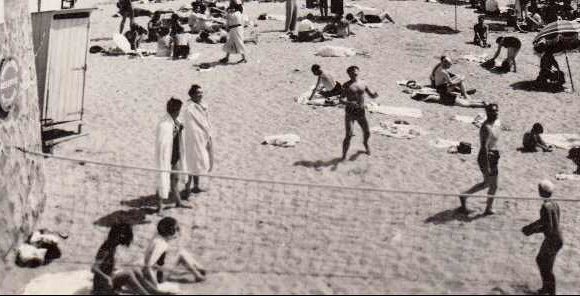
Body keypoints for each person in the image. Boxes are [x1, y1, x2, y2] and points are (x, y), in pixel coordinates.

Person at [137, 217, 206, 293]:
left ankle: (198, 268)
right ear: (170, 232)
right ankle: (198, 275)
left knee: (180, 252)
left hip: (154, 272)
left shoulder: (157, 236)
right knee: (180, 255)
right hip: (158, 277)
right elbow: (149, 266)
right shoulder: (161, 244)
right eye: (176, 229)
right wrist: (155, 285)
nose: (178, 231)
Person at [522, 180, 563, 295]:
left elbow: (547, 226)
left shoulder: (545, 206)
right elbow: (548, 222)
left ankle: (550, 291)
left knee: (545, 266)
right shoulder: (555, 203)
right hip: (557, 237)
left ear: (541, 192)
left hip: (552, 240)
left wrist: (531, 230)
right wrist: (532, 227)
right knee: (543, 263)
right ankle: (547, 289)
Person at [459, 103, 501, 215]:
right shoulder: (486, 128)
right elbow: (484, 148)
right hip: (486, 157)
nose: (496, 113)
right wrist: (487, 165)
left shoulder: (497, 122)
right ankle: (464, 195)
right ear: (488, 113)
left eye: (496, 110)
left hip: (494, 156)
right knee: (488, 184)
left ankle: (488, 208)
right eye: (493, 111)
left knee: (494, 185)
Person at [92, 223, 149, 295]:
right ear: (115, 234)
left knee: (133, 270)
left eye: (124, 235)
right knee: (128, 273)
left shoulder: (114, 247)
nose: (122, 237)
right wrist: (107, 278)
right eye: (121, 235)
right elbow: (94, 268)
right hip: (102, 284)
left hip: (111, 279)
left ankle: (152, 291)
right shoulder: (106, 247)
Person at [155, 98, 190, 213]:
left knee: (175, 180)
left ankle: (178, 202)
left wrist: (179, 130)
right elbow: (162, 142)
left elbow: (179, 134)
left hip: (175, 155)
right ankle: (160, 207)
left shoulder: (176, 121)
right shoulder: (164, 124)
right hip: (165, 157)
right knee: (163, 180)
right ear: (175, 110)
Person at [340, 66, 379, 160]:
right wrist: (349, 103)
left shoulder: (364, 83)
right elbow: (341, 100)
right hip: (350, 112)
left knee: (367, 132)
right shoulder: (346, 85)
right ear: (348, 74)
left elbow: (371, 95)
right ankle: (344, 156)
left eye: (355, 71)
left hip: (361, 111)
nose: (354, 73)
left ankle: (365, 143)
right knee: (349, 135)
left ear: (358, 72)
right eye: (351, 72)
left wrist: (374, 95)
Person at [182, 85, 214, 198]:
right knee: (191, 163)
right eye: (198, 93)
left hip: (201, 138)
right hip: (193, 139)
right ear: (192, 95)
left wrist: (207, 134)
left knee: (198, 163)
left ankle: (196, 186)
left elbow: (205, 121)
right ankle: (187, 189)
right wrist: (203, 134)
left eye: (201, 93)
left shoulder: (202, 105)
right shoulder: (189, 108)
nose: (201, 95)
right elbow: (192, 126)